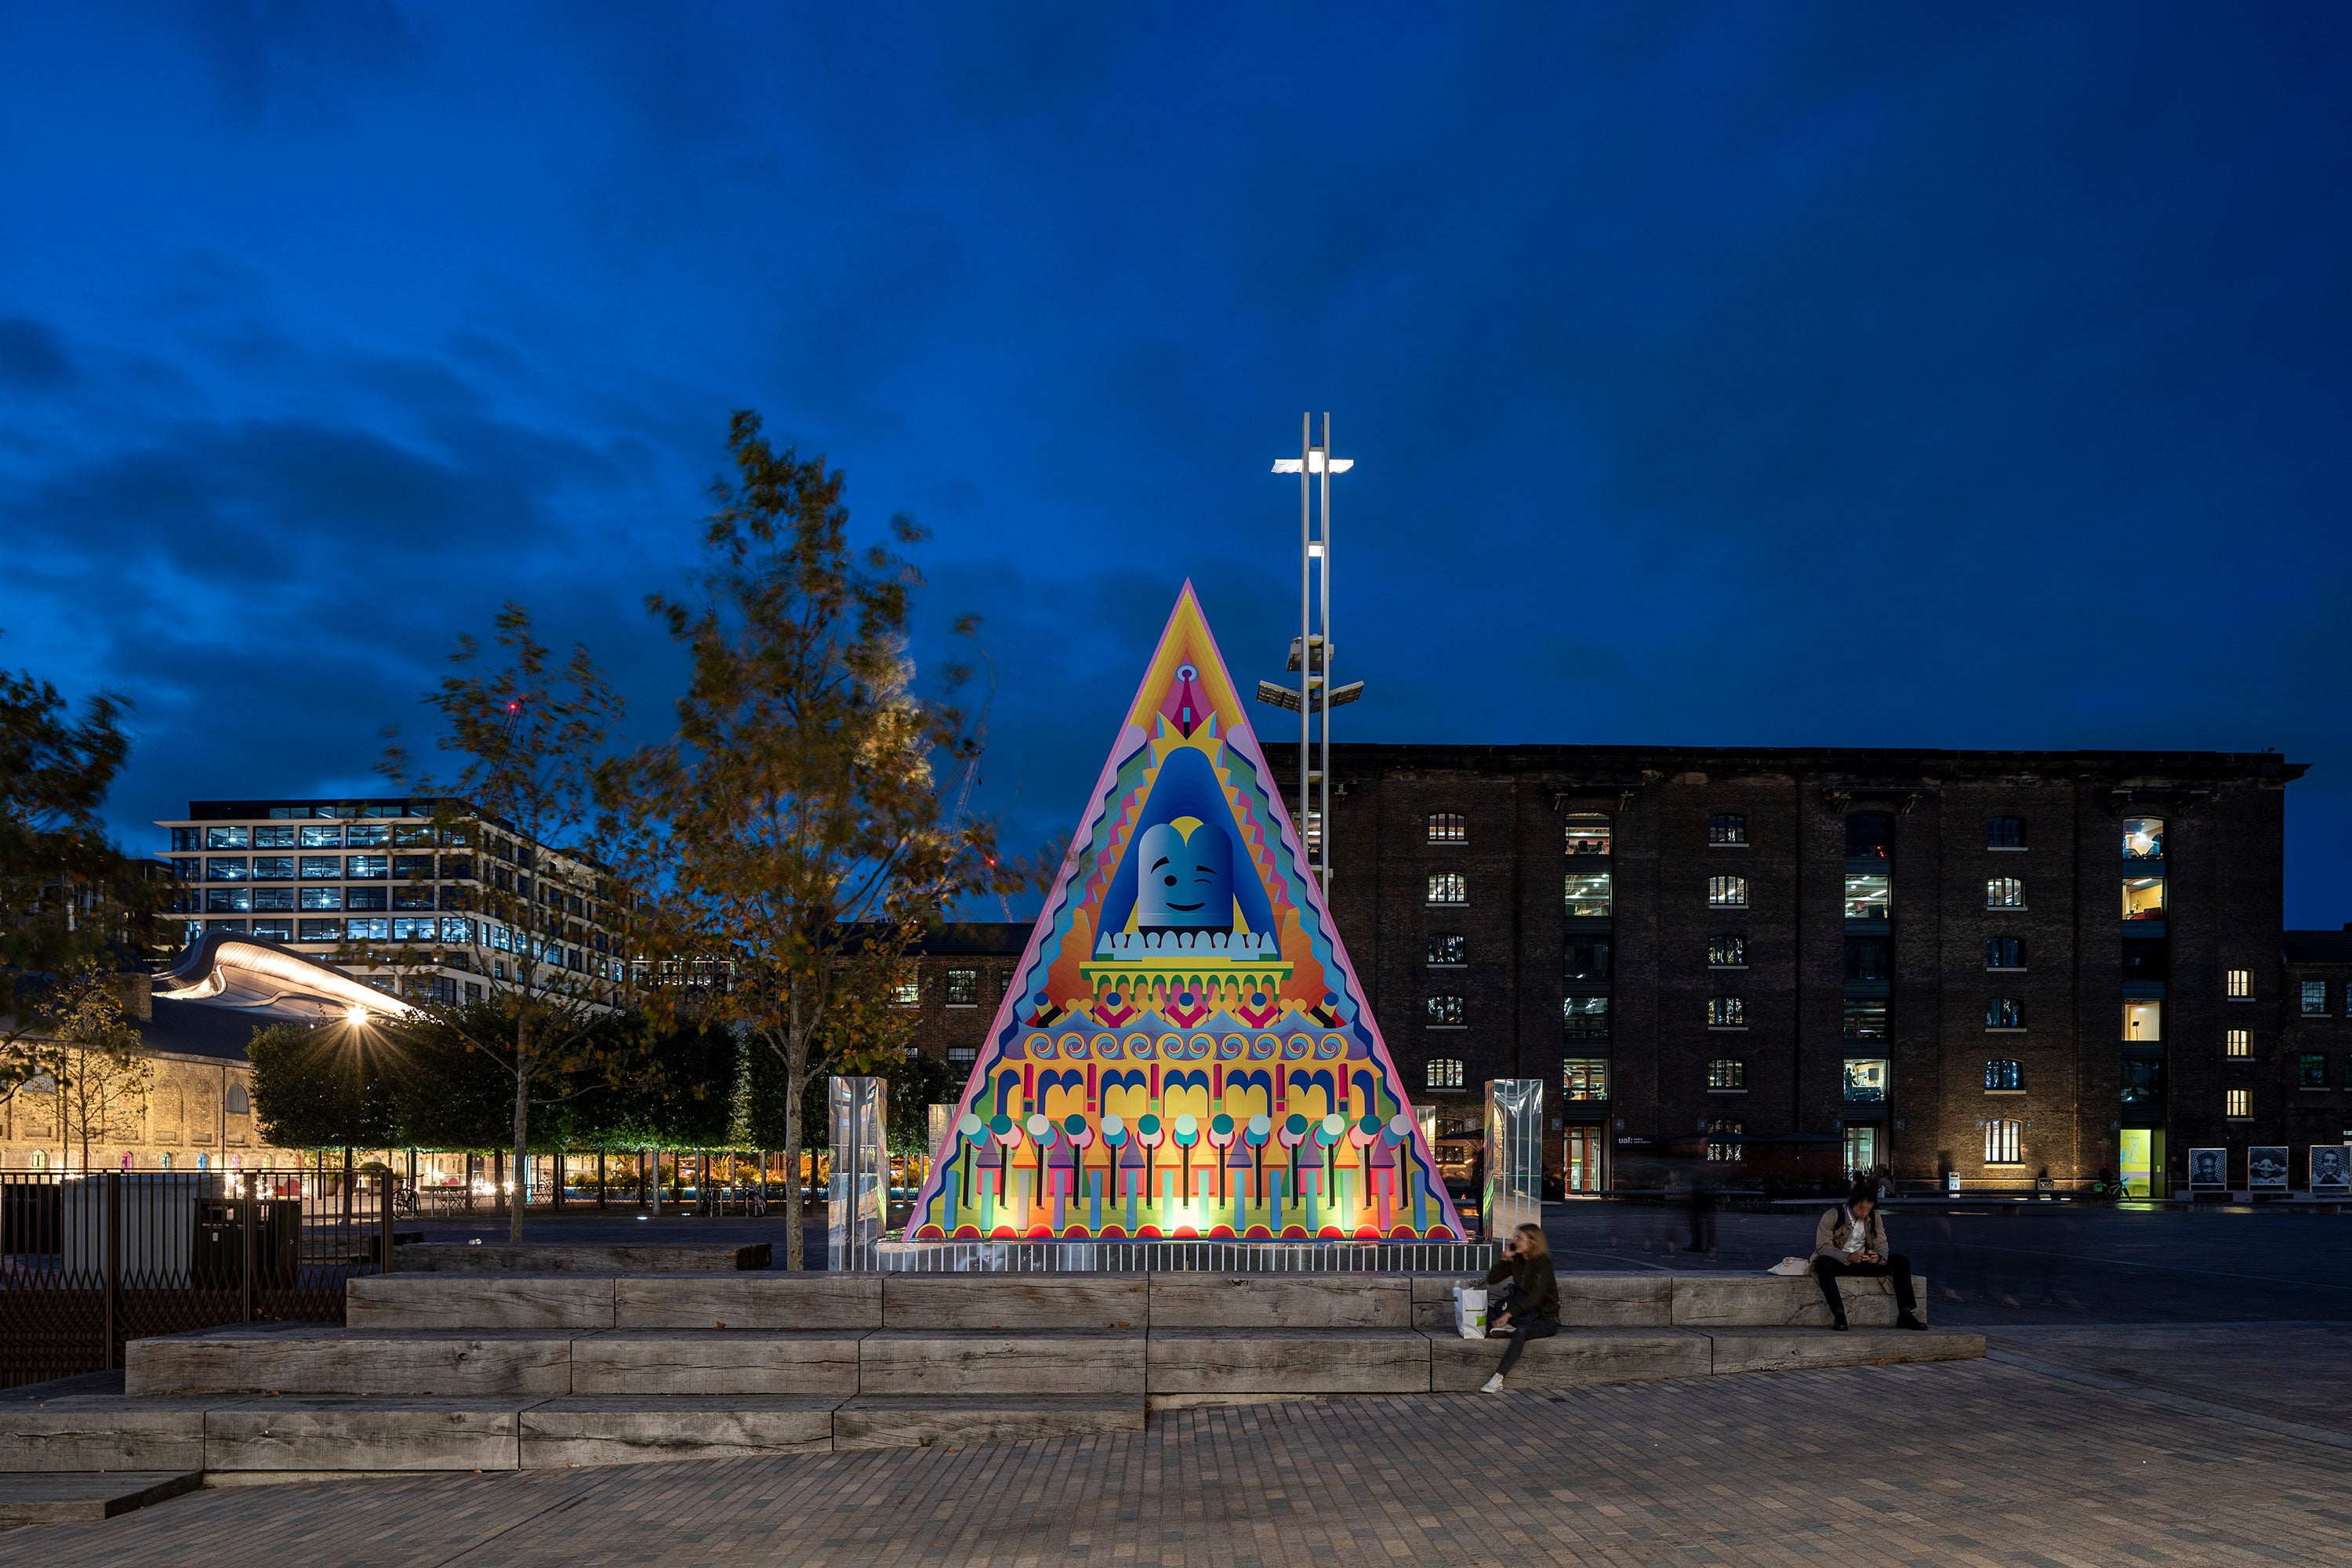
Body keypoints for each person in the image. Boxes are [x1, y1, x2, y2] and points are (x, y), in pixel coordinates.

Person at [1813, 1186, 1926, 1332]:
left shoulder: (1874, 1217)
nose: (1864, 1213)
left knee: (1901, 1261)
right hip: (1840, 1262)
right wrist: (1847, 1256)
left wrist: (1878, 1256)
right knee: (1823, 1263)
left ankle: (1905, 1313)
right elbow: (1822, 1246)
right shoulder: (1832, 1216)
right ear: (1852, 1202)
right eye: (1861, 1208)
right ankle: (1839, 1314)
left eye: (1868, 1209)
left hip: (1862, 1260)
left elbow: (1881, 1243)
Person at [1479, 1222, 1559, 1393]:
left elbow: (1536, 1297)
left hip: (1545, 1319)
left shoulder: (1543, 1264)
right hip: (1523, 1314)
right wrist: (1505, 1259)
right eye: (1515, 1236)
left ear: (1532, 1242)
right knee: (1482, 1311)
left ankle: (1498, 1378)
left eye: (1519, 1238)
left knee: (1521, 1331)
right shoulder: (1517, 1260)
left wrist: (1508, 1314)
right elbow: (1492, 1279)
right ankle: (1507, 1327)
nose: (1514, 1240)